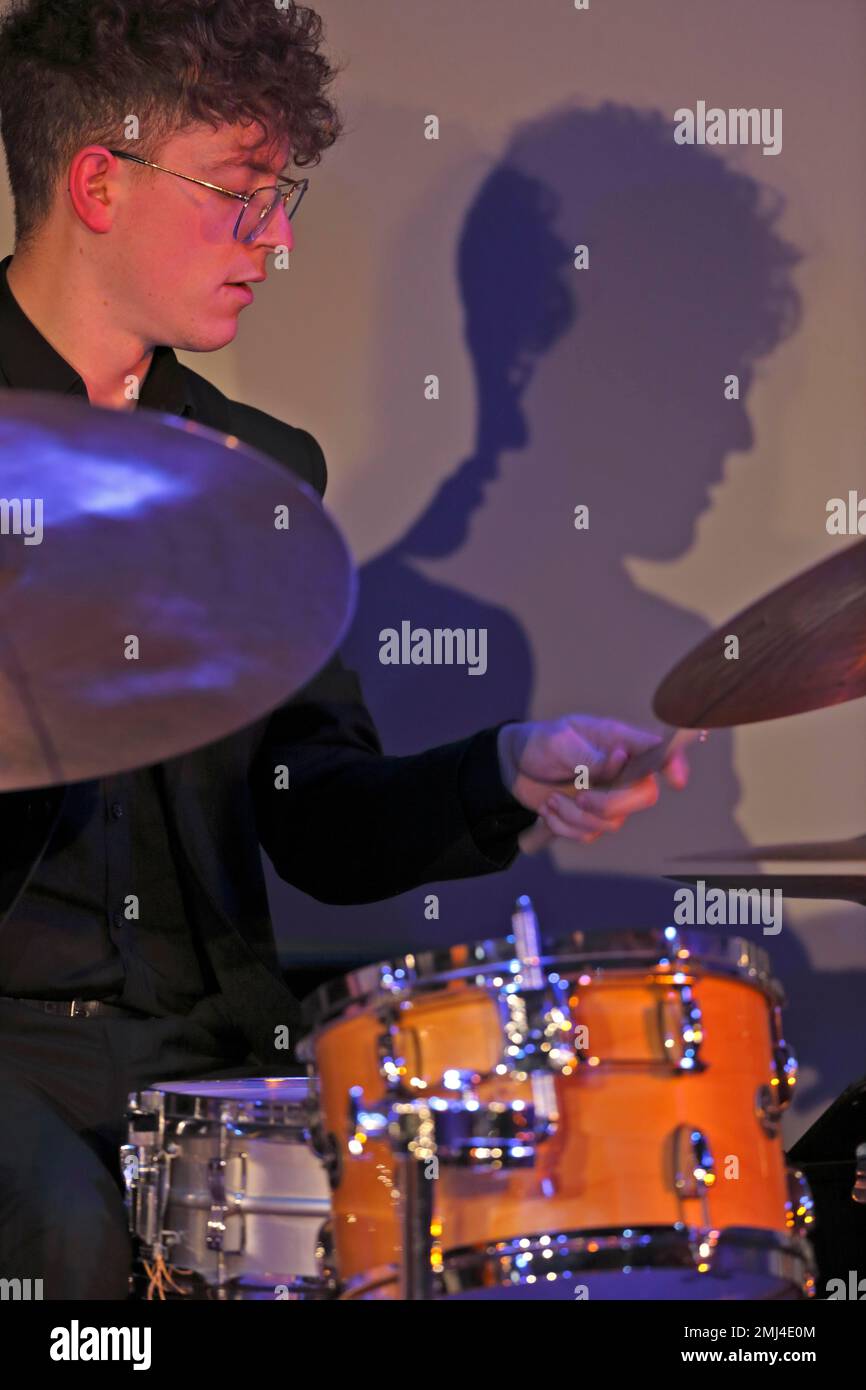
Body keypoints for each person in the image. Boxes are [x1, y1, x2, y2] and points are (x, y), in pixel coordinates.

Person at [0, 0, 690, 1299]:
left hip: (211, 1045)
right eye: (240, 194)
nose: (279, 238)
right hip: (12, 1048)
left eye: (284, 195)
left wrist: (504, 771)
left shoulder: (258, 466)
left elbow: (310, 811)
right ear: (98, 181)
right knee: (64, 1237)